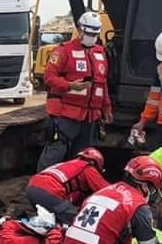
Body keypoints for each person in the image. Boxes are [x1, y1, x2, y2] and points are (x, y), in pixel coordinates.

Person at [38, 11, 113, 171]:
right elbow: (49, 77)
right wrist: (71, 85)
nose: (91, 37)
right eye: (88, 33)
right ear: (80, 30)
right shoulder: (64, 50)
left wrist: (106, 108)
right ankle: (42, 185)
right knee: (55, 153)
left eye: (95, 33)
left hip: (90, 116)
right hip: (66, 113)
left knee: (82, 158)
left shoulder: (100, 53)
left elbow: (102, 83)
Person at [26, 148, 109, 224]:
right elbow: (107, 191)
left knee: (49, 221)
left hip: (32, 187)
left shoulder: (67, 165)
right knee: (77, 221)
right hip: (49, 190)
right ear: (95, 163)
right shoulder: (87, 168)